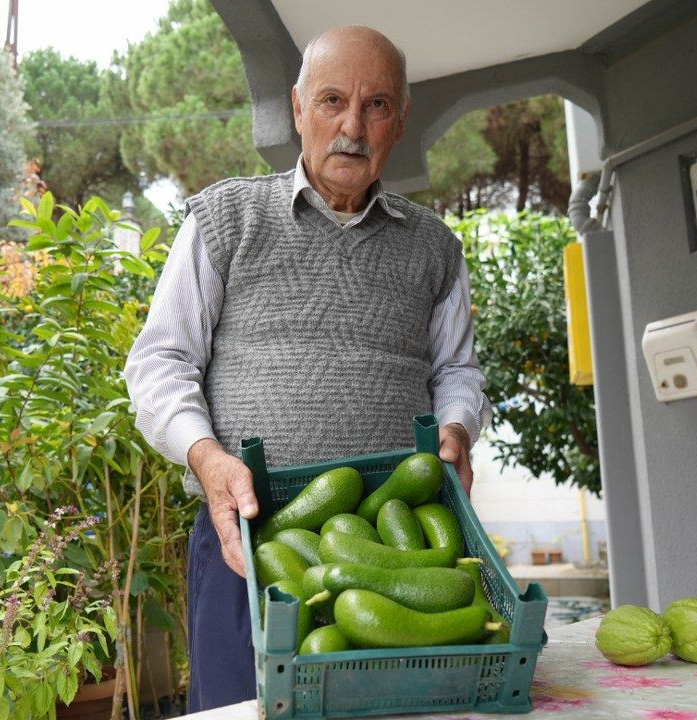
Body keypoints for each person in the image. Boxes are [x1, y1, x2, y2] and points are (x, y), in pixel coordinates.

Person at [123, 25, 491, 712]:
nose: (352, 126)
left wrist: (458, 428)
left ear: (401, 121)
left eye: (377, 105)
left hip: (397, 545)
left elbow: (457, 372)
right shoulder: (226, 218)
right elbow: (161, 360)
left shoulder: (435, 247)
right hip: (247, 538)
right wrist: (204, 458)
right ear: (297, 110)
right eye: (331, 101)